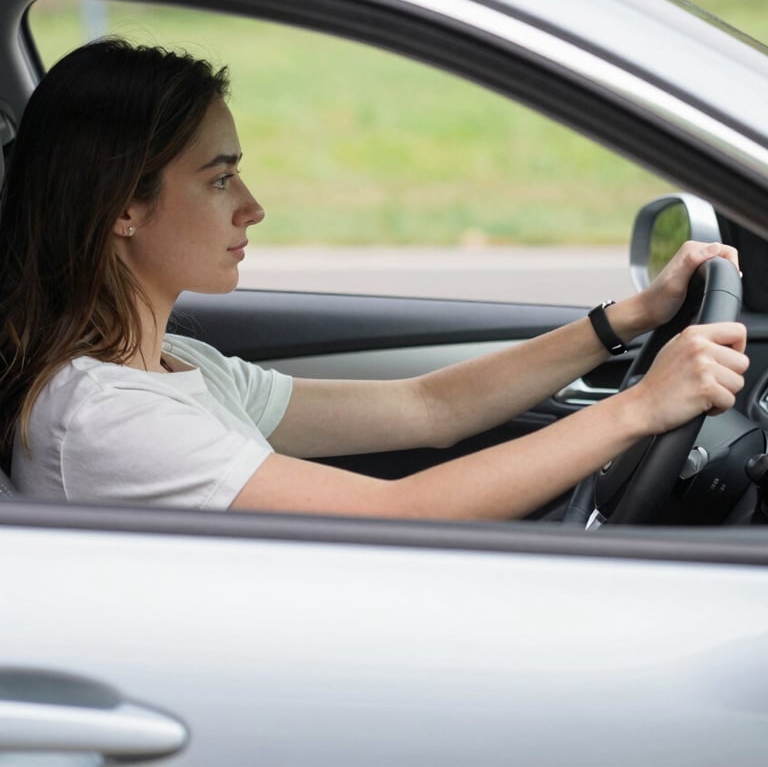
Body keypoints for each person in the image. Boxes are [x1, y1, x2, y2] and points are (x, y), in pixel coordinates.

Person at [0, 39, 749, 519]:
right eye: (220, 180)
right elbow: (405, 513)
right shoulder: (105, 418)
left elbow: (427, 409)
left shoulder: (177, 367)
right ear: (124, 207)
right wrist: (639, 410)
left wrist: (621, 322)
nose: (253, 208)